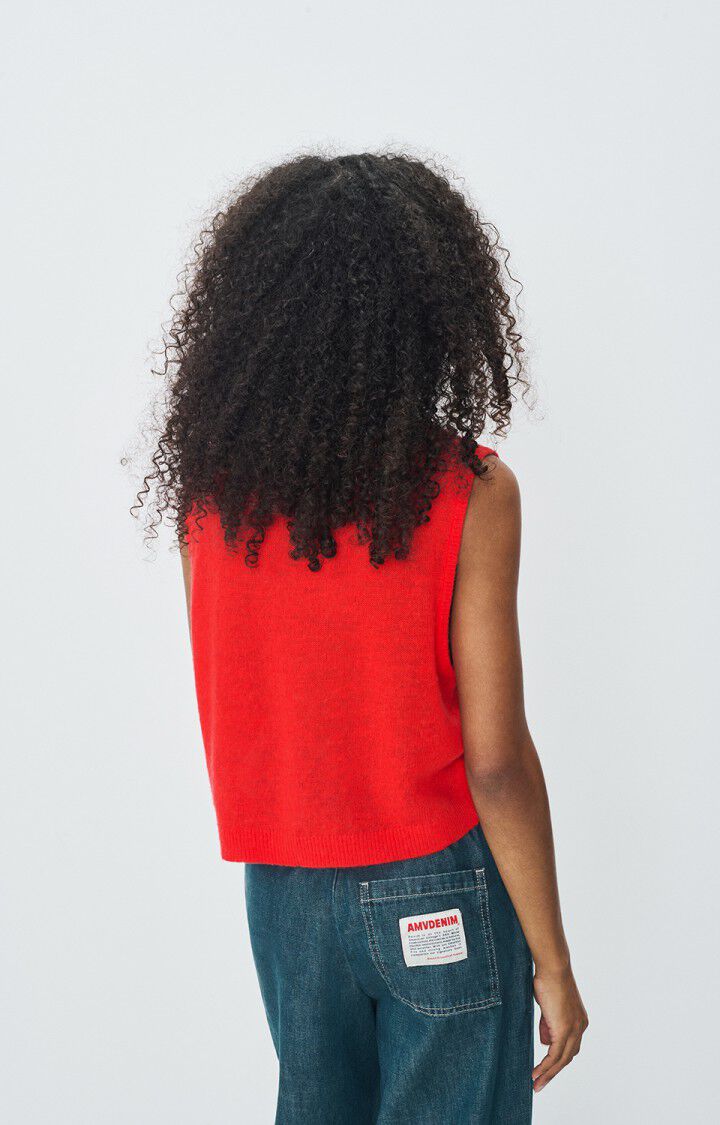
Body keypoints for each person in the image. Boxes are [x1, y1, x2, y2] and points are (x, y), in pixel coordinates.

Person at [139, 152, 588, 1123]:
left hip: (284, 891)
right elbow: (496, 760)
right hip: (438, 876)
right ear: (433, 316)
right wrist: (552, 958)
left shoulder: (211, 501)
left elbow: (244, 692)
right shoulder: (469, 493)